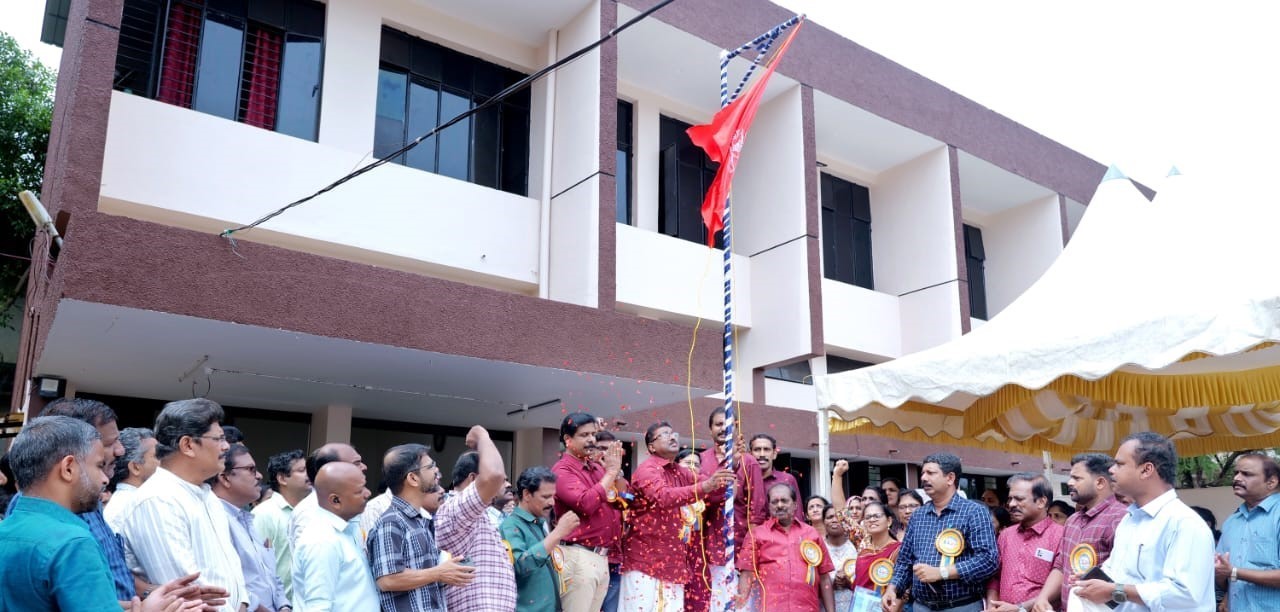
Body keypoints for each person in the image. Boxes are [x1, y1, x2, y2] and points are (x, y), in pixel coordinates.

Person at [0, 416, 211, 612]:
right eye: (99, 466)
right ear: (68, 468)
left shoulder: (7, 529)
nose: (104, 479)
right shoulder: (72, 543)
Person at [119, 398, 248, 612]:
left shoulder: (207, 496)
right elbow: (184, 591)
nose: (226, 447)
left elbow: (232, 571)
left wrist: (242, 603)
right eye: (219, 439)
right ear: (188, 445)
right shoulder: (158, 500)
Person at [10, 398, 137, 601]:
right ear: (68, 465)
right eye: (109, 443)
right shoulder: (70, 538)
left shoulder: (86, 500)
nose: (121, 450)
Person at [1074, 432, 1214, 611]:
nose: (1111, 470)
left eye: (1119, 464)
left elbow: (1185, 595)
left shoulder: (1185, 523)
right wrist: (1092, 582)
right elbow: (1118, 575)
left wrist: (1115, 590)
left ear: (1146, 470)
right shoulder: (1128, 520)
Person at [621, 421, 733, 610]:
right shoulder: (647, 470)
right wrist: (706, 486)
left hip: (673, 564)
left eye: (673, 433)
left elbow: (716, 491)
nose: (672, 437)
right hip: (645, 561)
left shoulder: (681, 472)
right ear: (651, 446)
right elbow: (663, 497)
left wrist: (732, 461)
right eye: (664, 434)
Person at [883, 453, 998, 612]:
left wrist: (942, 573)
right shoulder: (918, 515)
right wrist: (893, 588)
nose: (923, 478)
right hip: (921, 606)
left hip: (961, 606)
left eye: (930, 473)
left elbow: (988, 560)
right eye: (923, 473)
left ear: (950, 478)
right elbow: (904, 560)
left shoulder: (974, 512)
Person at [367, 443, 473, 612]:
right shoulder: (391, 522)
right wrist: (438, 573)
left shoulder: (420, 520)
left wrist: (448, 571)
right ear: (413, 478)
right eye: (430, 466)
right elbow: (387, 580)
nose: (437, 471)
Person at [691, 407, 767, 611]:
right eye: (718, 424)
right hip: (706, 551)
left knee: (740, 606)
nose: (723, 429)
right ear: (710, 430)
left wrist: (748, 557)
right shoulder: (701, 460)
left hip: (739, 550)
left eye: (728, 425)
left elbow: (756, 513)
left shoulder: (748, 462)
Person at [435, 426, 518, 611]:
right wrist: (482, 435)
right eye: (503, 481)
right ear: (473, 479)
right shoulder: (456, 508)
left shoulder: (475, 513)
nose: (507, 484)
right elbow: (493, 475)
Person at [1031, 453, 1127, 612]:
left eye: (1077, 478)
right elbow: (1062, 565)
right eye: (1070, 477)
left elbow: (1127, 582)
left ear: (1100, 482)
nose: (1069, 483)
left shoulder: (1121, 519)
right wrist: (1043, 597)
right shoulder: (1072, 520)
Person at [552, 412, 624, 612]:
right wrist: (610, 472)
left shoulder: (595, 468)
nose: (591, 439)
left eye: (593, 434)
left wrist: (612, 473)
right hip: (578, 554)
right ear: (568, 440)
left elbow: (615, 499)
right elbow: (586, 503)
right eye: (584, 435)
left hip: (602, 557)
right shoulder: (562, 470)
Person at [211, 444, 291, 612]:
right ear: (225, 478)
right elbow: (228, 585)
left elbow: (271, 577)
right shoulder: (215, 520)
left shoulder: (246, 520)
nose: (260, 476)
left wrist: (284, 606)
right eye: (251, 469)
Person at [736, 482, 837, 611]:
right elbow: (747, 574)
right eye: (774, 502)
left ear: (795, 505)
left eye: (784, 500)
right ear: (769, 506)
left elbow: (824, 578)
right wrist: (740, 605)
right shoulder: (756, 534)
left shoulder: (811, 533)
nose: (779, 505)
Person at [293, 462, 378, 612]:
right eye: (359, 491)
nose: (368, 493)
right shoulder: (322, 540)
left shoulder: (348, 528)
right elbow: (318, 607)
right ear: (335, 500)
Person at [500, 466, 582, 612]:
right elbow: (521, 566)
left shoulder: (540, 523)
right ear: (526, 494)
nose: (552, 503)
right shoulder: (510, 526)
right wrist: (557, 533)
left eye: (553, 496)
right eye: (545, 497)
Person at [986, 474, 1064, 612]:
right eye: (1010, 499)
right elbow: (995, 576)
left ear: (1041, 502)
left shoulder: (1061, 536)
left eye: (1019, 499)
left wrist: (1019, 608)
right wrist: (991, 604)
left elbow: (1061, 583)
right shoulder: (1006, 535)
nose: (1011, 504)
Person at [1214, 452, 1280, 611]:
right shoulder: (1232, 521)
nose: (1237, 478)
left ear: (1271, 482)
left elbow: (1231, 572)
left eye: (1247, 474)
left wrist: (1234, 572)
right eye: (1236, 473)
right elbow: (1222, 576)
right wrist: (1221, 574)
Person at [253, 449, 310, 601]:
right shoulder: (265, 514)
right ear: (282, 478)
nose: (309, 474)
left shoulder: (310, 512)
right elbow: (257, 567)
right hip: (276, 604)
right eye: (302, 470)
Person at [288, 443, 367, 551]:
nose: (364, 467)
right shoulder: (309, 512)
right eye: (357, 463)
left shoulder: (347, 506)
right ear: (333, 468)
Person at [592, 427, 628, 612]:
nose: (605, 454)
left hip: (614, 556)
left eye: (610, 449)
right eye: (601, 448)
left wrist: (617, 474)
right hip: (590, 556)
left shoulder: (620, 478)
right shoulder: (587, 475)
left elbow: (629, 503)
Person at [104, 427, 159, 532]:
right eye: (158, 456)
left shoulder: (132, 502)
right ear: (135, 467)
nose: (165, 461)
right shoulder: (136, 506)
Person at [750, 433, 806, 523]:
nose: (762, 454)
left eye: (766, 449)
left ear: (774, 454)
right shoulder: (745, 480)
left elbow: (797, 514)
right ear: (750, 454)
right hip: (749, 535)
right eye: (757, 450)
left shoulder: (787, 479)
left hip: (782, 534)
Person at [854, 501, 902, 593]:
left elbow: (902, 586)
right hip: (860, 604)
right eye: (868, 517)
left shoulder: (898, 550)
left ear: (889, 521)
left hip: (888, 604)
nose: (872, 520)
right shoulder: (864, 552)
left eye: (877, 516)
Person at [825, 504, 859, 610]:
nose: (834, 520)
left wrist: (848, 583)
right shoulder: (818, 547)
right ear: (823, 521)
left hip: (856, 605)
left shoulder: (857, 544)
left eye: (837, 516)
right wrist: (831, 583)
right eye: (830, 517)